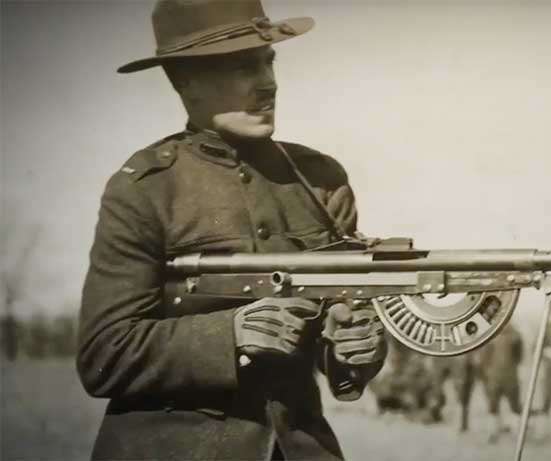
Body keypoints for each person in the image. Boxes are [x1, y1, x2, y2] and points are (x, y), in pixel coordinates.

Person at [76, 2, 387, 460]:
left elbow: (333, 342)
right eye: (243, 66)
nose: (268, 83)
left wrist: (353, 347)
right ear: (185, 81)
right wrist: (232, 334)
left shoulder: (319, 180)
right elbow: (104, 354)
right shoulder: (145, 189)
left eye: (268, 61)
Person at [479, 323, 524, 443]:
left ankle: (516, 432)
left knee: (514, 406)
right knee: (493, 406)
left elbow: (519, 357)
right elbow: (485, 358)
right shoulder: (491, 335)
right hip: (496, 376)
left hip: (509, 376)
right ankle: (493, 431)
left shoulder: (515, 336)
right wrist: (487, 373)